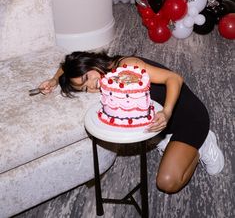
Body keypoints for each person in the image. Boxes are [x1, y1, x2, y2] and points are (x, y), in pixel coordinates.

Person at [39, 51, 224, 193]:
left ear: (90, 63)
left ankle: (203, 144)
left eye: (87, 78)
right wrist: (54, 80)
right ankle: (167, 141)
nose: (92, 86)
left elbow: (174, 78)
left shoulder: (127, 66)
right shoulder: (100, 75)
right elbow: (67, 65)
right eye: (85, 88)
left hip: (188, 117)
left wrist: (167, 113)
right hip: (160, 125)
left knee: (167, 183)